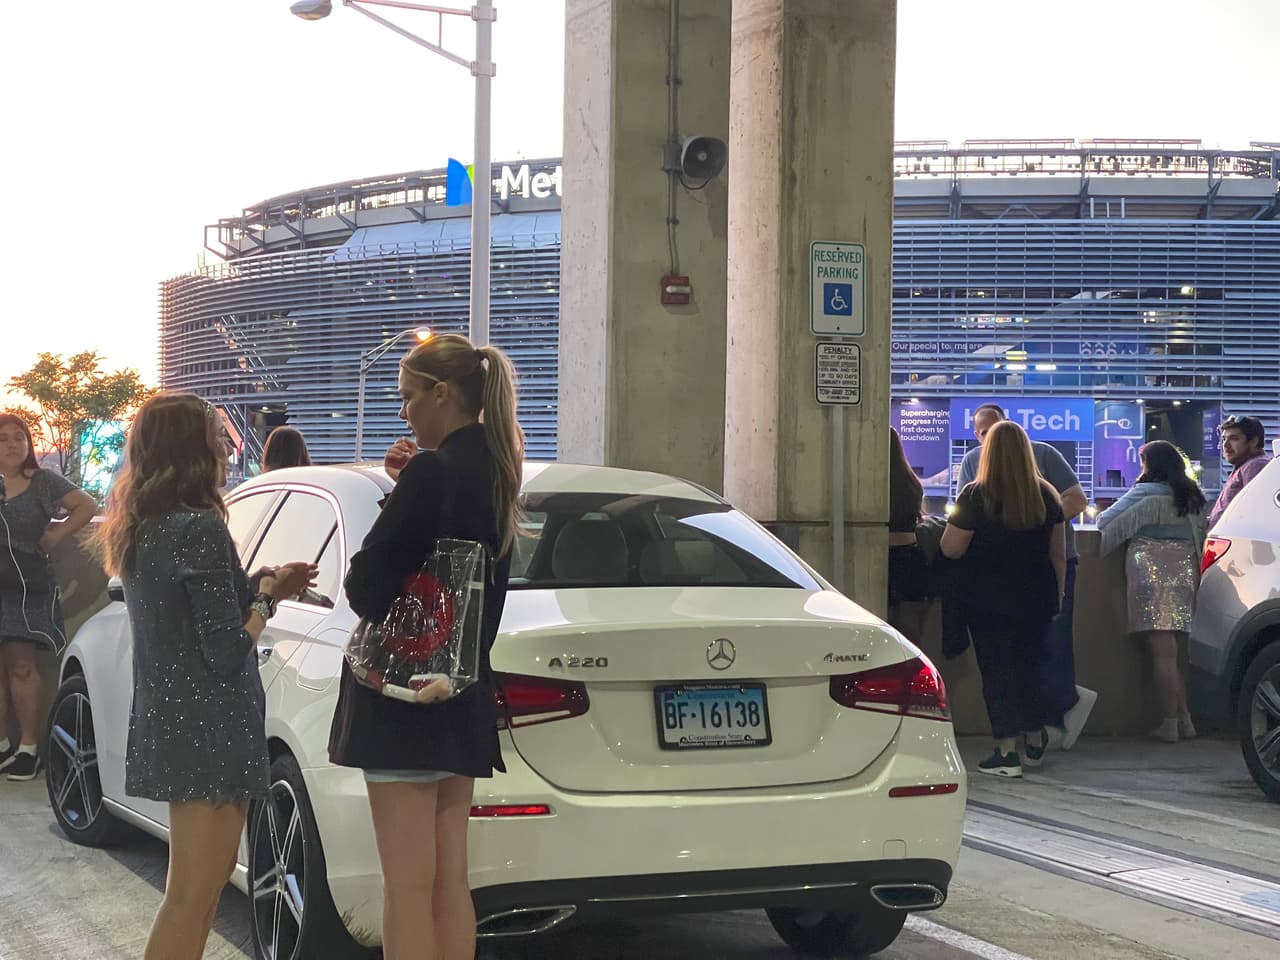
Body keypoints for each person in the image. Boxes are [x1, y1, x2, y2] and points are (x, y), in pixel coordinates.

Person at [91, 393, 316, 960]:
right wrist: (266, 597)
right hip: (211, 728)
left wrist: (259, 583)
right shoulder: (198, 529)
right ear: (189, 448)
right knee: (193, 896)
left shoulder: (143, 526)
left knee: (192, 893)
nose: (226, 445)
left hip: (175, 722)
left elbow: (195, 616)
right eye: (216, 434)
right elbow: (226, 649)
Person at [327, 332, 524, 960]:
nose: (404, 410)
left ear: (443, 394)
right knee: (449, 883)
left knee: (406, 887)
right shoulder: (498, 470)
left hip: (403, 696)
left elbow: (367, 584)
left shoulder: (431, 472)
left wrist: (402, 494)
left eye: (408, 397)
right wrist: (403, 490)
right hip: (461, 691)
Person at [957, 403, 1096, 750]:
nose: (988, 437)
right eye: (982, 432)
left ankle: (1038, 728)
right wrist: (1035, 523)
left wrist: (1024, 523)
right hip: (1039, 573)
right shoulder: (973, 463)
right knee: (1028, 655)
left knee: (1041, 652)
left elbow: (1076, 500)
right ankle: (1036, 733)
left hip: (1023, 574)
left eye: (993, 429)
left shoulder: (1044, 455)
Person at [942, 421, 1066, 778]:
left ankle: (1006, 751)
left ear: (988, 454)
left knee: (996, 670)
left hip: (988, 600)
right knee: (1030, 667)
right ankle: (1035, 735)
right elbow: (1057, 554)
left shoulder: (975, 495)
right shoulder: (1047, 495)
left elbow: (951, 548)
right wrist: (1057, 596)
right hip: (1036, 596)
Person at [0, 413, 96, 781]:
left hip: (27, 585)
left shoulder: (41, 482)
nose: (12, 444)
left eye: (18, 438)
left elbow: (86, 505)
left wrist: (57, 535)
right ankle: (3, 747)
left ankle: (28, 749)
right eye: (4, 438)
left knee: (22, 664)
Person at [1096, 441, 1207, 743]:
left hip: (1150, 569)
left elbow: (1104, 523)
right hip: (1185, 569)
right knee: (1176, 653)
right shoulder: (1192, 496)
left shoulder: (1144, 493)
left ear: (1150, 464)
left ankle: (1169, 722)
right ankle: (1185, 719)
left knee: (1161, 654)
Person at [887, 427, 931, 643]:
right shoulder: (911, 483)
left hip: (883, 557)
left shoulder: (872, 486)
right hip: (911, 558)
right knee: (910, 631)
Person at [1208, 415, 1269, 529]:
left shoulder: (1255, 466)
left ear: (1254, 441)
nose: (1225, 445)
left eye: (1234, 438)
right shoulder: (1244, 466)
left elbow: (1254, 512)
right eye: (1224, 439)